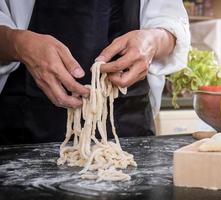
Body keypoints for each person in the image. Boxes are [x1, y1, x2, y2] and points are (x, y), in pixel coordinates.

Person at [0, 0, 190, 145]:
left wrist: (152, 41)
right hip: (25, 120)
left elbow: (172, 23)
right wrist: (17, 44)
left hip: (128, 121)